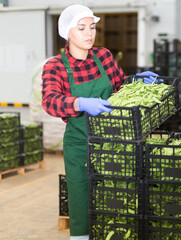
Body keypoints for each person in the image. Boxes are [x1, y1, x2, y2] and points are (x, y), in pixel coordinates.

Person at [41, 4, 158, 240]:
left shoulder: (103, 56)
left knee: (117, 195)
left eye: (92, 27)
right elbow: (50, 101)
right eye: (81, 28)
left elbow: (119, 85)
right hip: (80, 144)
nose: (89, 33)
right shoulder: (55, 66)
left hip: (113, 139)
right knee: (81, 197)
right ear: (67, 32)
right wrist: (80, 103)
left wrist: (136, 81)